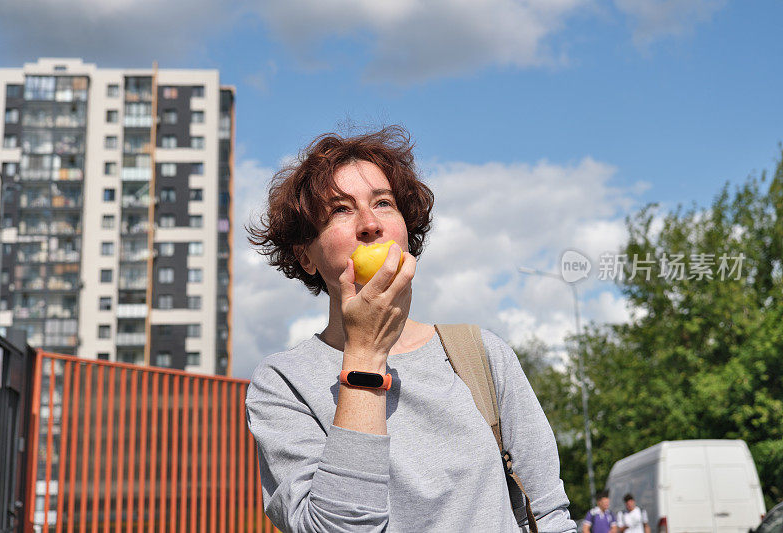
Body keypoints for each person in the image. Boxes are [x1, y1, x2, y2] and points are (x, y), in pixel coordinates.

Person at [244, 125, 576, 532]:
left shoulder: (479, 353)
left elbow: (548, 513)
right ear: (306, 256)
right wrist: (365, 353)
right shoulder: (283, 383)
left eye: (383, 203)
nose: (370, 223)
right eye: (340, 210)